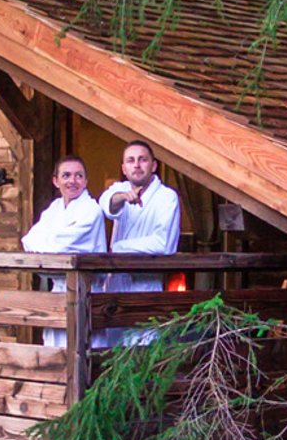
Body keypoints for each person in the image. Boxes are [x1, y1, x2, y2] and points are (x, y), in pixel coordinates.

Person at [97, 140, 182, 345]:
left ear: (153, 166)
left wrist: (119, 248)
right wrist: (121, 197)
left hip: (146, 285)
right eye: (130, 160)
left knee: (143, 348)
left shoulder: (166, 197)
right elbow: (106, 204)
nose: (136, 165)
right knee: (112, 351)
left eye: (142, 160)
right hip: (116, 287)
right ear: (124, 169)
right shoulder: (119, 190)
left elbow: (164, 244)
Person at [20, 155, 105, 347]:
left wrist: (46, 243)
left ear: (85, 181)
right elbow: (29, 240)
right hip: (57, 290)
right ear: (55, 181)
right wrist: (48, 244)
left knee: (82, 351)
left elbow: (62, 247)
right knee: (55, 350)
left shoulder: (91, 210)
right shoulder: (55, 208)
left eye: (78, 176)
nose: (72, 181)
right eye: (66, 175)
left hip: (86, 291)